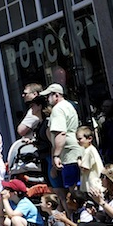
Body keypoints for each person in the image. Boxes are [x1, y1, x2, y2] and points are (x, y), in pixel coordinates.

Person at [41, 83, 83, 216]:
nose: (47, 99)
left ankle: (78, 217)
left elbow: (60, 133)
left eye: (49, 95)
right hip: (74, 149)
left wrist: (56, 155)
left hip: (68, 152)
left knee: (73, 188)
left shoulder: (58, 109)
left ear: (57, 95)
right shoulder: (69, 106)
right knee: (76, 186)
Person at [77, 126, 104, 194]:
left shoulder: (89, 151)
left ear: (89, 138)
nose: (78, 141)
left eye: (80, 139)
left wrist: (79, 161)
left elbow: (85, 168)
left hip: (93, 186)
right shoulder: (90, 149)